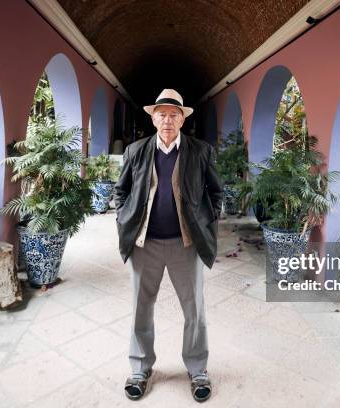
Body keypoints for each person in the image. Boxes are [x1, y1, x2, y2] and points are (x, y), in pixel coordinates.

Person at [113, 89, 223, 402]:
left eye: (173, 114)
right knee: (140, 308)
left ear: (182, 118)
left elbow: (216, 192)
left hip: (185, 245)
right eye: (161, 114)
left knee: (194, 310)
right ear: (153, 117)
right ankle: (139, 368)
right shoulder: (136, 151)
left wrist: (208, 220)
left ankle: (198, 368)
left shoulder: (199, 151)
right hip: (144, 243)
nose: (167, 120)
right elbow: (120, 191)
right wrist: (123, 218)